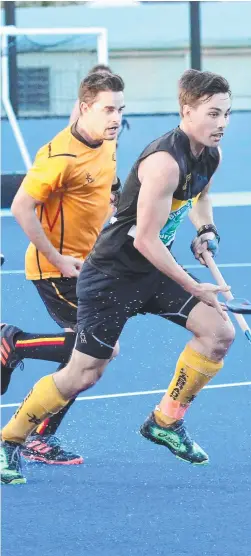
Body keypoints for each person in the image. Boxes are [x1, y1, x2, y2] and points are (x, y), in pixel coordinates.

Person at [1, 69, 235, 485]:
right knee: (84, 372)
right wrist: (191, 283)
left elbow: (200, 194)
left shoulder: (209, 154)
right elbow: (145, 239)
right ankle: (10, 440)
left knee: (219, 332)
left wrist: (205, 230)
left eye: (227, 114)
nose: (221, 123)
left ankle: (165, 421)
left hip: (150, 271)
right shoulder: (164, 160)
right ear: (187, 111)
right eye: (213, 114)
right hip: (110, 275)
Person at [0, 71, 124, 474]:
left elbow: (109, 188)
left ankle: (39, 435)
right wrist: (57, 257)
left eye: (121, 109)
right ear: (85, 108)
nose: (116, 117)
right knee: (92, 352)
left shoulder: (106, 140)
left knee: (86, 356)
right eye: (108, 109)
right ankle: (13, 343)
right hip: (55, 269)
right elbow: (21, 207)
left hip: (88, 266)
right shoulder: (58, 157)